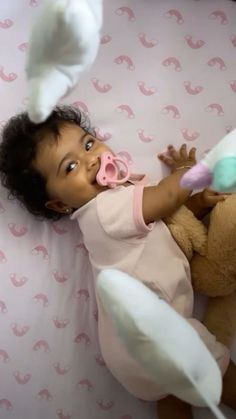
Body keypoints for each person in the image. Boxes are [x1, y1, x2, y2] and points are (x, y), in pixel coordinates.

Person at [0, 106, 235, 419]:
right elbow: (167, 198)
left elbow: (169, 225)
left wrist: (198, 205)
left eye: (88, 144)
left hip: (134, 347)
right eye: (70, 167)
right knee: (220, 372)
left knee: (172, 395)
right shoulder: (105, 209)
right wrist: (186, 171)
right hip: (156, 335)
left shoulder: (120, 202)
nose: (92, 160)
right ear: (59, 204)